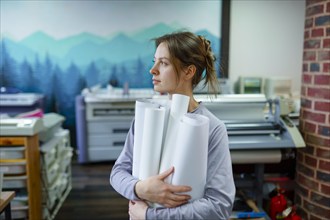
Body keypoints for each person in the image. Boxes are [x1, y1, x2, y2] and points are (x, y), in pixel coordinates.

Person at [110, 31, 235, 220]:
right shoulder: (147, 116)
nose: (153, 70)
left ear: (188, 71)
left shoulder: (212, 128)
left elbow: (219, 206)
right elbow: (118, 172)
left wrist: (150, 215)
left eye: (164, 63)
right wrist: (140, 188)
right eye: (154, 61)